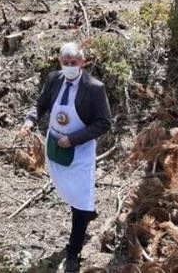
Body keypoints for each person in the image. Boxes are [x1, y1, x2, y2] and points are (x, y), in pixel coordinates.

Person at [19, 42, 112, 273]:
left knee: (80, 198)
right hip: (55, 146)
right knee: (68, 191)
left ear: (83, 63)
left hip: (79, 150)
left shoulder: (94, 88)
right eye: (66, 63)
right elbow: (40, 104)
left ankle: (73, 252)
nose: (70, 66)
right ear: (60, 63)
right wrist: (30, 121)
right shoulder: (54, 79)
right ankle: (86, 212)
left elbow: (104, 123)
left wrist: (74, 139)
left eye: (74, 63)